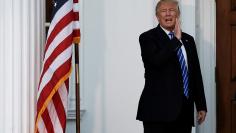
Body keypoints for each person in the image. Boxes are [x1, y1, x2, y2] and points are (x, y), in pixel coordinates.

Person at [136, 0, 207, 133]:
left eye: (172, 10)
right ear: (157, 16)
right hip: (157, 113)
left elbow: (195, 74)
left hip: (184, 112)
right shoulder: (147, 38)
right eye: (163, 11)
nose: (168, 14)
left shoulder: (188, 40)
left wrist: (201, 105)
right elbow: (156, 61)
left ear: (178, 15)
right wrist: (175, 40)